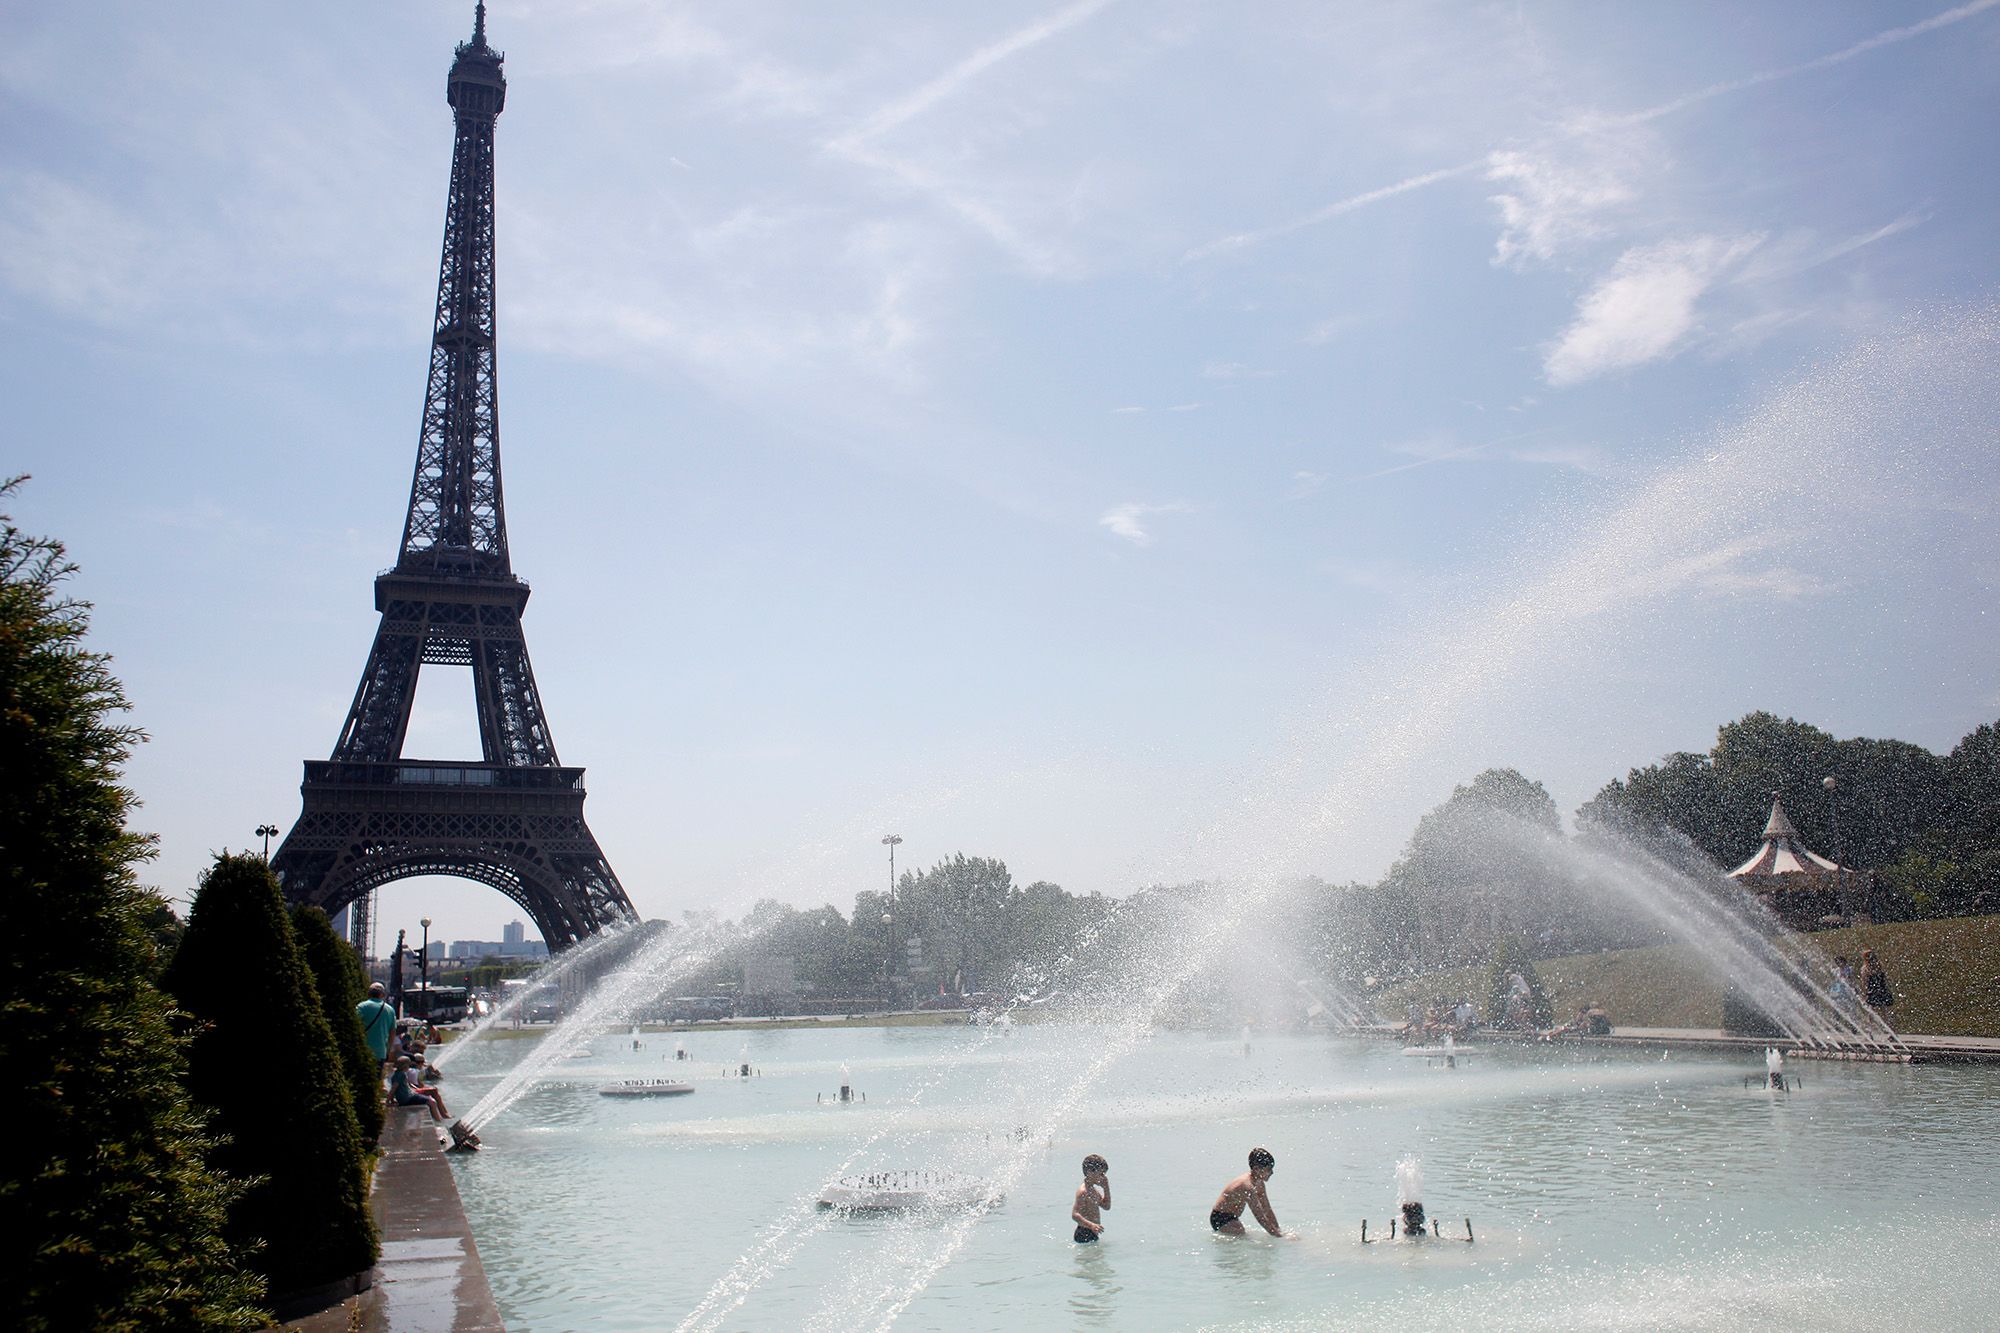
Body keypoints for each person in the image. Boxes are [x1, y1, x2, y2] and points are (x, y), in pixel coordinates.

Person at [1209, 1147, 1285, 1237]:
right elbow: (1260, 1216)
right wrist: (1278, 1236)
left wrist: (1278, 1230)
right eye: (1268, 1169)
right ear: (1257, 1169)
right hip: (1220, 1218)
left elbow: (1267, 1209)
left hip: (1233, 1217)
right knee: (1241, 1235)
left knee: (1243, 1233)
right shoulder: (1247, 1187)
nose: (1272, 1172)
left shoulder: (1259, 1183)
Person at [390, 1055, 448, 1121]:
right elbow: (394, 1088)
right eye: (421, 1062)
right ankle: (442, 1118)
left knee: (433, 1092)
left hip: (410, 1092)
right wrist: (388, 1101)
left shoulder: (401, 1073)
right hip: (408, 1096)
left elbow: (406, 1085)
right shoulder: (412, 1072)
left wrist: (391, 1099)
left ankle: (443, 1116)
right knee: (433, 1097)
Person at [1071, 1154, 1111, 1243]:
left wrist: (1106, 1188)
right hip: (1083, 1232)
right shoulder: (1083, 1192)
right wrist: (1091, 1225)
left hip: (1092, 1232)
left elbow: (1106, 1206)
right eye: (1101, 1174)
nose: (1103, 1177)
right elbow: (1075, 1214)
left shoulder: (1094, 1191)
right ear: (1090, 1172)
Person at [357, 982, 396, 1065]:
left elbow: (354, 1026)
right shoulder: (390, 1010)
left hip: (363, 1050)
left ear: (368, 994)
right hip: (381, 1052)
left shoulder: (361, 1007)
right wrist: (388, 1050)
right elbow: (392, 1033)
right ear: (383, 994)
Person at [1859, 949, 1895, 1022]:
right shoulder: (1878, 966)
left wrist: (1864, 992)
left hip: (1874, 989)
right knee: (1882, 1009)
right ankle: (1888, 1026)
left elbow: (1864, 981)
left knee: (1873, 1009)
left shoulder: (1866, 968)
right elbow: (1884, 978)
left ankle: (1871, 1026)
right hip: (1879, 988)